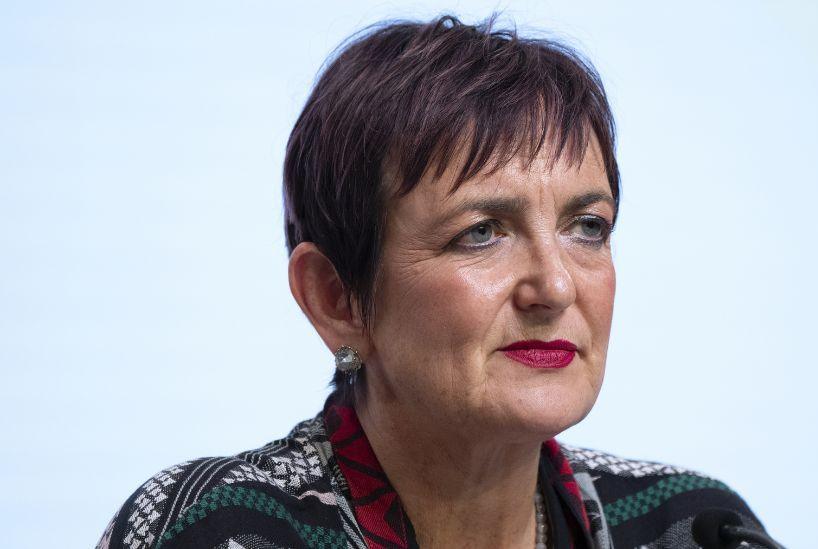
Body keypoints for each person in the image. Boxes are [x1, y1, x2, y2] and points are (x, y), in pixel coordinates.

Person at [97, 14, 774, 549]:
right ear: (336, 297)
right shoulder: (223, 527)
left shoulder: (690, 527)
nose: (557, 286)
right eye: (481, 231)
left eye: (587, 226)